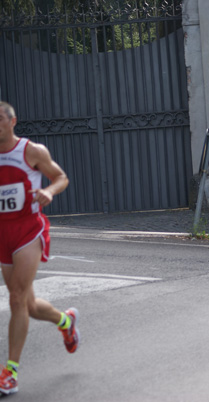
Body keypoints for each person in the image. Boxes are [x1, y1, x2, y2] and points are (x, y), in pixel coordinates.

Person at [0, 101, 79, 395]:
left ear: (12, 121)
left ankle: (10, 372)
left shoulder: (31, 151)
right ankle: (65, 321)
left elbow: (61, 178)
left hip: (28, 230)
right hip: (2, 233)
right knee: (29, 306)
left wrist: (47, 190)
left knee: (17, 298)